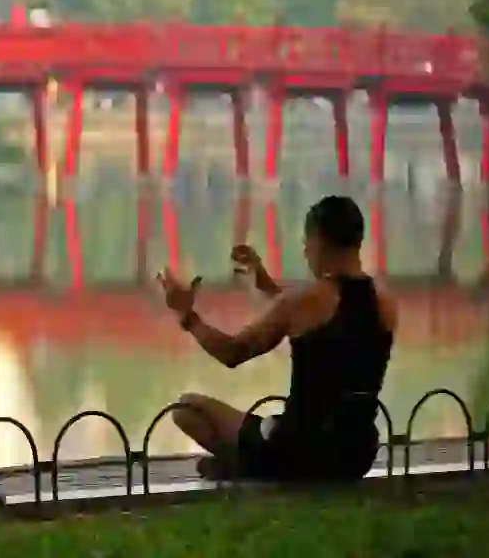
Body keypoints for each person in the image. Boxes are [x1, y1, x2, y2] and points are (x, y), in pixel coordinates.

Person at [155, 195, 397, 482]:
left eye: (307, 244)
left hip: (300, 452)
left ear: (318, 240)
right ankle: (250, 465)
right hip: (356, 455)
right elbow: (325, 308)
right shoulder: (385, 302)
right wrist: (267, 285)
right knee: (275, 427)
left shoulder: (302, 302)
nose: (306, 253)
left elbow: (232, 351)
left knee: (187, 408)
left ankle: (251, 469)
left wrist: (187, 316)